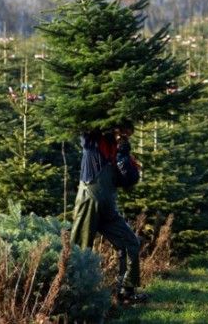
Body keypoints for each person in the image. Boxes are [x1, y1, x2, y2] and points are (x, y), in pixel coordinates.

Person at [70, 124, 148, 304]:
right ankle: (73, 297)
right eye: (123, 132)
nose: (124, 136)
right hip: (89, 201)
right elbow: (86, 118)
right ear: (114, 128)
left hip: (108, 207)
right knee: (80, 250)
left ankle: (126, 292)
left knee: (131, 243)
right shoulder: (92, 140)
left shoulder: (118, 150)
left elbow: (128, 180)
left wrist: (123, 155)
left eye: (128, 134)